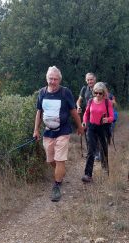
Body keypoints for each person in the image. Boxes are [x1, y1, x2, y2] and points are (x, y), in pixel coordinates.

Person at [33, 66, 84, 202]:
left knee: (60, 159)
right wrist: (36, 130)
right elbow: (39, 112)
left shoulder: (65, 92)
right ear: (47, 78)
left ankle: (56, 185)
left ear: (59, 80)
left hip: (63, 131)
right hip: (48, 132)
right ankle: (60, 173)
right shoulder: (42, 93)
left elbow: (73, 111)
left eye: (55, 79)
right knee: (51, 160)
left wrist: (80, 127)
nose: (53, 81)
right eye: (50, 78)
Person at [81, 82, 114, 182]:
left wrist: (107, 119)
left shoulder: (107, 102)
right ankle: (88, 174)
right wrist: (84, 122)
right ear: (93, 92)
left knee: (103, 150)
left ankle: (105, 169)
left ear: (104, 93)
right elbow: (86, 113)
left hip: (103, 127)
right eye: (96, 93)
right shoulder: (91, 101)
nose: (98, 95)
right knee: (91, 150)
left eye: (100, 93)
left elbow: (112, 117)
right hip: (91, 127)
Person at [76, 73, 102, 161]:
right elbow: (79, 100)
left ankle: (98, 153)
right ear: (86, 80)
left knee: (97, 134)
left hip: (98, 115)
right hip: (87, 115)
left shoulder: (99, 87)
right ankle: (91, 152)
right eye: (88, 80)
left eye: (91, 79)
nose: (89, 81)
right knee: (87, 134)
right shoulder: (84, 89)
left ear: (95, 79)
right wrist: (78, 106)